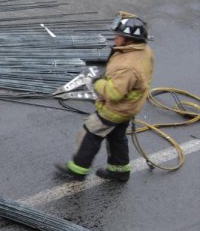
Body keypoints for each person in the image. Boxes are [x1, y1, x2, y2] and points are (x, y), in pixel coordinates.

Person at [56, 13, 153, 182]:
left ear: (129, 39)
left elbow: (114, 93)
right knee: (116, 137)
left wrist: (97, 82)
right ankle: (120, 170)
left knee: (91, 132)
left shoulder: (128, 66)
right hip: (130, 106)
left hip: (117, 108)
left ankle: (77, 169)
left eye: (119, 36)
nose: (115, 38)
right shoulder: (142, 50)